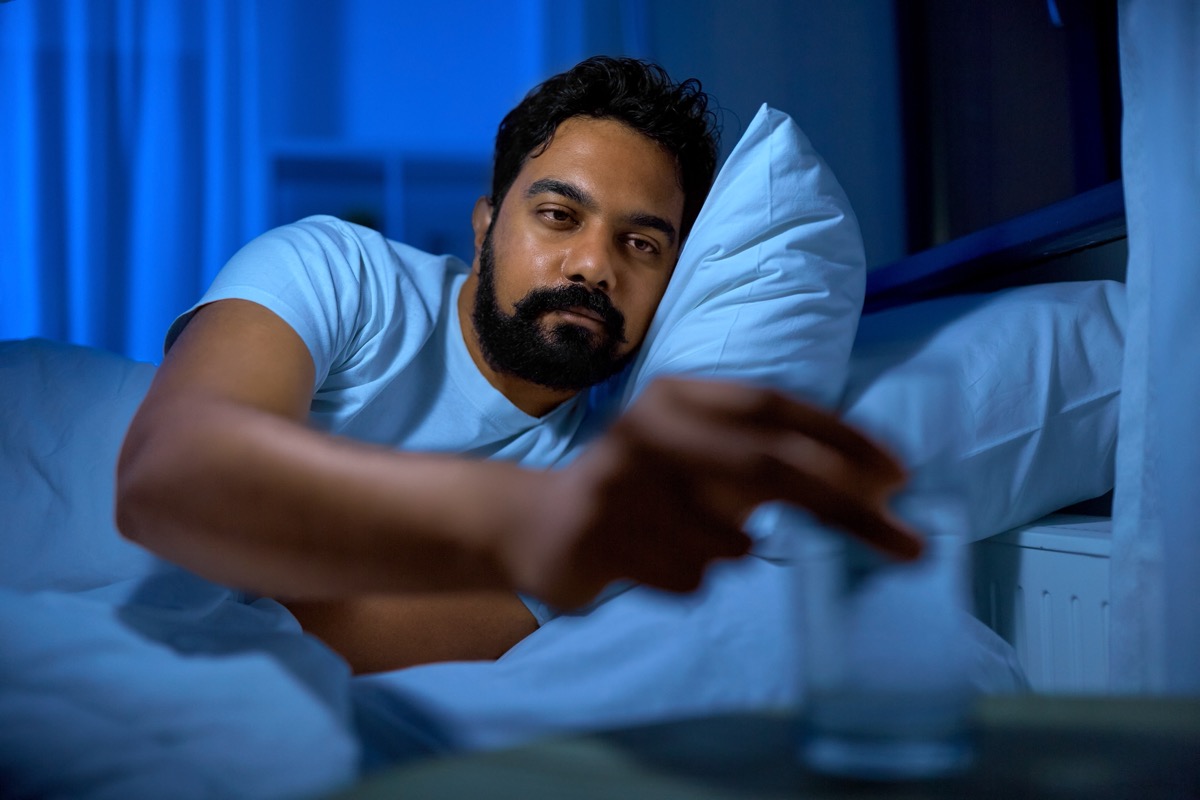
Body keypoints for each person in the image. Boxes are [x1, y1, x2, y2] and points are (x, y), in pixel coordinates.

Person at [115, 56, 919, 674]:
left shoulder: (608, 472)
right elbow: (170, 473)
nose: (593, 266)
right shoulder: (339, 269)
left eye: (641, 244)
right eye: (559, 215)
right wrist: (520, 516)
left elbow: (350, 645)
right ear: (485, 224)